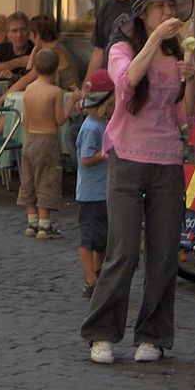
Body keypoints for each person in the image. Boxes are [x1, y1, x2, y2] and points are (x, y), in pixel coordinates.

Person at [82, 0, 195, 365]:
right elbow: (125, 83)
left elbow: (187, 116)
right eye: (161, 8)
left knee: (164, 253)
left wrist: (191, 76)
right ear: (142, 16)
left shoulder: (178, 52)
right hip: (129, 160)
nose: (169, 14)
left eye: (171, 7)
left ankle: (153, 335)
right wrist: (152, 44)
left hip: (167, 161)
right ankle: (101, 333)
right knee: (124, 250)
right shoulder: (122, 49)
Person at [18, 49, 76, 240]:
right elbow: (60, 120)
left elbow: (25, 120)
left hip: (30, 139)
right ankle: (44, 224)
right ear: (57, 69)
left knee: (29, 179)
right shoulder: (55, 92)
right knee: (47, 179)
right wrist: (72, 102)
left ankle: (31, 221)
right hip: (47, 140)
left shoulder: (29, 89)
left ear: (34, 67)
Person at [76, 70, 115, 297]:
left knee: (104, 238)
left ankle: (99, 272)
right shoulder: (92, 128)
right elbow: (86, 159)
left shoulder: (102, 124)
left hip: (103, 191)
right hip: (91, 193)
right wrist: (106, 153)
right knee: (89, 238)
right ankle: (90, 279)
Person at [87, 0, 133, 79]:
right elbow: (98, 51)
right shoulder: (105, 9)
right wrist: (88, 85)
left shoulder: (143, 4)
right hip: (108, 82)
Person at [8, 14, 79, 94]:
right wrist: (33, 52)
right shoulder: (54, 47)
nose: (30, 37)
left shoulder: (51, 52)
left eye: (31, 34)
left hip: (67, 97)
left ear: (37, 35)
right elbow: (28, 75)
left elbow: (27, 79)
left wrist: (2, 98)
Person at [0, 11, 33, 80]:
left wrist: (14, 76)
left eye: (22, 30)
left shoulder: (34, 50)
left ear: (28, 32)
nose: (19, 35)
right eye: (14, 31)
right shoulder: (3, 48)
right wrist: (19, 62)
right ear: (8, 34)